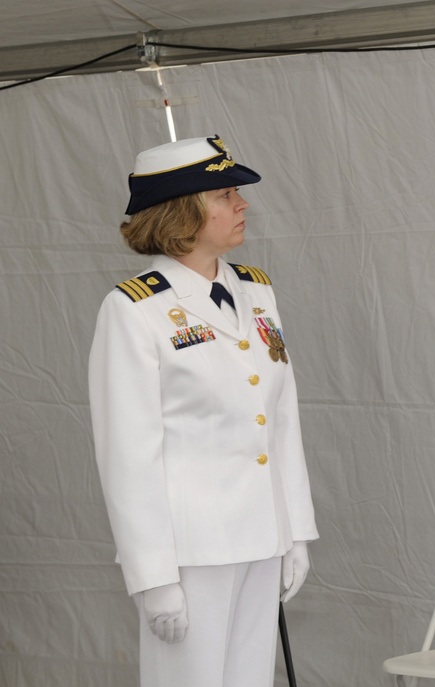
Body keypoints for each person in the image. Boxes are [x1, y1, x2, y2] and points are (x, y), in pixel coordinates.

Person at [88, 135, 319, 687]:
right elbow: (129, 454)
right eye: (224, 194)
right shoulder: (135, 309)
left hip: (263, 536)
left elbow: (281, 420)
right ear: (182, 211)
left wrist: (297, 532)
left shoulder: (255, 292)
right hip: (192, 551)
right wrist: (152, 576)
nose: (242, 204)